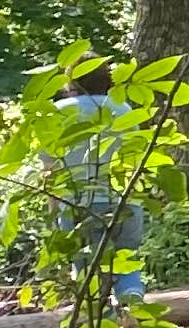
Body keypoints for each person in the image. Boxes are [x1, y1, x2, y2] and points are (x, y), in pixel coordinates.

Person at [52, 61, 151, 302]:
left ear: (71, 80)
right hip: (124, 200)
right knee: (125, 259)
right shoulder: (124, 109)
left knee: (87, 271)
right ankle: (131, 297)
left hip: (77, 204)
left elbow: (51, 171)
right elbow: (134, 159)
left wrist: (54, 216)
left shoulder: (59, 112)